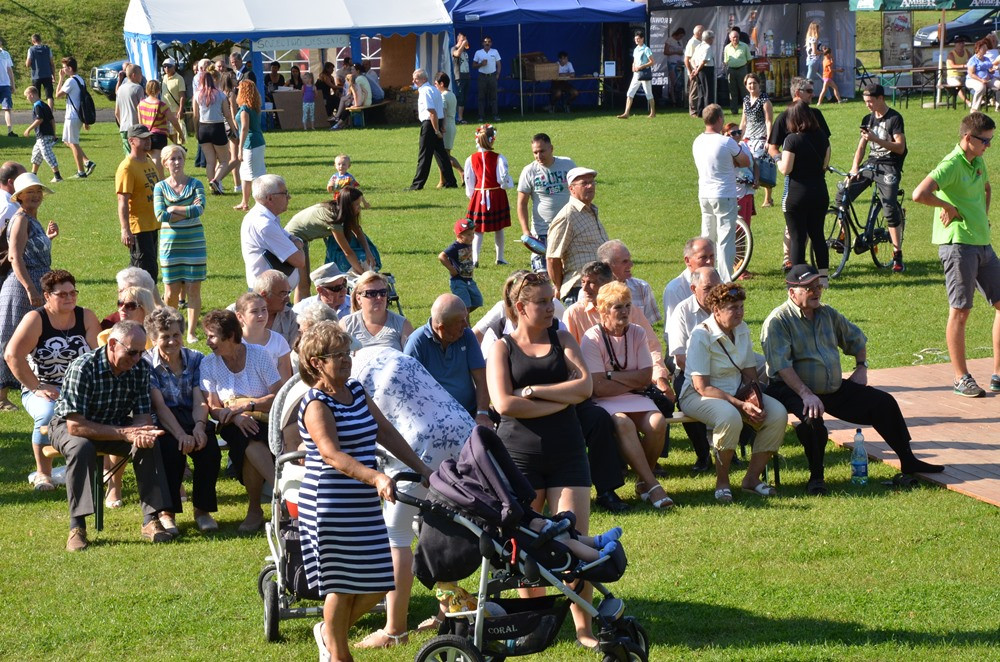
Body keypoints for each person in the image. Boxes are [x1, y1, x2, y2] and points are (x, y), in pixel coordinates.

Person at [296, 322, 432, 660]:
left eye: (347, 353)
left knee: (378, 581)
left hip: (362, 501)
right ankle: (339, 654)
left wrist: (421, 468)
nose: (346, 360)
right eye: (337, 356)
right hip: (330, 502)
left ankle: (329, 633)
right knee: (341, 586)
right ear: (316, 363)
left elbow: (385, 432)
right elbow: (331, 454)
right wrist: (375, 478)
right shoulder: (315, 403)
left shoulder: (355, 390)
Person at [485, 271, 598, 649]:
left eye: (552, 300)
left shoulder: (562, 336)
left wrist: (535, 391)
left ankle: (585, 628)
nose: (552, 308)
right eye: (543, 302)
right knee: (525, 547)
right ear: (521, 307)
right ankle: (531, 627)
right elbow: (503, 404)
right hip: (519, 459)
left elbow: (586, 387)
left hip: (568, 453)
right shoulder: (501, 347)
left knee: (574, 543)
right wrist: (561, 399)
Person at [762, 264, 944, 495]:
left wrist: (861, 367)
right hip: (791, 388)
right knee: (812, 422)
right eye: (809, 288)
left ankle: (908, 460)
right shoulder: (778, 321)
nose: (816, 291)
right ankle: (816, 477)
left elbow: (857, 339)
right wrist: (806, 394)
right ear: (792, 292)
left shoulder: (828, 314)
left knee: (883, 403)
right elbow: (782, 366)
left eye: (818, 286)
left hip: (831, 388)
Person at [49, 320, 172, 551]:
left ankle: (151, 519)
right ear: (113, 344)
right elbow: (76, 426)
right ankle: (77, 527)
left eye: (141, 353)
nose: (136, 359)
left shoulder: (140, 368)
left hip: (112, 422)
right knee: (81, 447)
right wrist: (126, 433)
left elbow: (142, 416)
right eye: (132, 352)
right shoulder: (83, 366)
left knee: (148, 443)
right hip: (69, 425)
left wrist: (141, 433)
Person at [912, 111, 1000, 398]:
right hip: (958, 245)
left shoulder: (978, 161)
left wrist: (981, 216)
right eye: (985, 141)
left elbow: (986, 188)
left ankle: (998, 374)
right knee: (961, 311)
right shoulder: (951, 164)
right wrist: (946, 207)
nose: (989, 146)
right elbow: (919, 193)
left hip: (982, 243)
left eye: (991, 141)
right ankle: (961, 378)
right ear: (967, 138)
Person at [677, 284, 788, 504]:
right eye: (732, 308)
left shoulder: (742, 329)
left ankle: (751, 479)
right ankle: (722, 482)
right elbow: (701, 386)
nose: (739, 312)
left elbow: (749, 373)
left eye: (741, 306)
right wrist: (740, 404)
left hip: (736, 394)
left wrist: (755, 400)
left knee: (777, 414)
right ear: (716, 310)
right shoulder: (701, 335)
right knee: (729, 417)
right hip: (696, 396)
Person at [580, 282, 673, 509]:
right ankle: (652, 485)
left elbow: (645, 377)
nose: (624, 312)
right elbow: (597, 387)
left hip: (635, 395)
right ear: (603, 311)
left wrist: (611, 376)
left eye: (627, 306)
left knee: (657, 422)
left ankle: (642, 481)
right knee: (623, 423)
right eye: (617, 307)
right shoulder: (591, 338)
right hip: (604, 402)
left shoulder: (637, 332)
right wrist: (628, 379)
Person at [4, 270, 98, 490]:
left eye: (72, 293)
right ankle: (43, 473)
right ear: (47, 296)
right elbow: (11, 355)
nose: (69, 298)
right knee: (48, 412)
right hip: (42, 386)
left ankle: (101, 471)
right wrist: (36, 386)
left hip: (79, 388)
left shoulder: (86, 316)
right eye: (62, 294)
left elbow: (99, 355)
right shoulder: (36, 319)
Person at [200, 309, 281, 532]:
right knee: (248, 436)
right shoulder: (208, 364)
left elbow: (277, 394)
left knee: (251, 442)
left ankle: (256, 510)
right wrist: (236, 417)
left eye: (212, 336)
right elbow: (214, 408)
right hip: (232, 424)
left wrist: (247, 406)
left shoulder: (259, 355)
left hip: (265, 417)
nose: (207, 342)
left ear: (231, 335)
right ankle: (281, 493)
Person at [144, 306, 221, 533]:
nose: (171, 341)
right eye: (164, 337)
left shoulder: (197, 359)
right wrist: (180, 435)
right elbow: (159, 405)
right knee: (170, 450)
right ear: (153, 338)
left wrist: (199, 427)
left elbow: (200, 397)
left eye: (176, 335)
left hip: (194, 413)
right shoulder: (146, 364)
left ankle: (202, 510)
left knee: (209, 451)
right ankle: (167, 513)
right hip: (163, 418)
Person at [0, 173, 58, 411]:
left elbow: (31, 249)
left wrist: (48, 237)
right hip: (23, 285)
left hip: (38, 282)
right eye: (29, 192)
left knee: (36, 335)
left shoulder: (31, 219)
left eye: (37, 192)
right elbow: (14, 256)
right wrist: (30, 288)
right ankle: (1, 398)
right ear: (19, 196)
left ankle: (33, 384)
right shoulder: (21, 218)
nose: (34, 196)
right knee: (9, 336)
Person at [843, 84, 908, 272]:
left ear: (881, 98)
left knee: (888, 205)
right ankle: (843, 236)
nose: (868, 105)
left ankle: (897, 255)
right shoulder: (867, 119)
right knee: (843, 194)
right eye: (865, 102)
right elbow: (861, 147)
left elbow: (900, 147)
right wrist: (855, 167)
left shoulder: (894, 118)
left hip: (889, 165)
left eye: (870, 101)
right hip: (871, 164)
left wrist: (876, 140)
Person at [666, 266, 722, 472]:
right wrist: (703, 376)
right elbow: (679, 357)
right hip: (691, 373)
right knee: (685, 399)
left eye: (718, 287)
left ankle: (728, 449)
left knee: (750, 391)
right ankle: (703, 453)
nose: (715, 293)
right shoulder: (682, 311)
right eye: (708, 288)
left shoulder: (727, 308)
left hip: (723, 372)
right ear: (693, 288)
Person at [404, 293, 491, 425]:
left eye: (465, 318)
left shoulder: (466, 336)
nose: (466, 325)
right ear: (441, 328)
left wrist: (482, 414)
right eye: (460, 321)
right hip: (433, 419)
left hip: (469, 414)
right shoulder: (417, 343)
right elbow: (409, 389)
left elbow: (481, 379)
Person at [153, 144, 207, 343]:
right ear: (165, 163)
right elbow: (160, 215)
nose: (177, 162)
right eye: (172, 159)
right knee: (170, 292)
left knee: (194, 289)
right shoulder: (160, 187)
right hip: (170, 247)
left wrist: (174, 208)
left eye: (180, 158)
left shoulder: (196, 184)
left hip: (194, 245)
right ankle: (172, 329)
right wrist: (185, 209)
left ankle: (191, 332)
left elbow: (199, 209)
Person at [693, 104, 750, 283]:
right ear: (719, 119)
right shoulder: (726, 142)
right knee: (726, 240)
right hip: (724, 193)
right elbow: (745, 160)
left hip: (704, 193)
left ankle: (703, 277)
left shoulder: (697, 141)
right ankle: (725, 280)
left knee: (707, 237)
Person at [776, 100, 831, 284]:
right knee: (818, 235)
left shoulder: (792, 139)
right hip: (819, 192)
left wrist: (777, 158)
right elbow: (825, 165)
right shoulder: (823, 137)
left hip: (797, 194)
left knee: (797, 237)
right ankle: (824, 278)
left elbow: (786, 169)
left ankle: (799, 279)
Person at [286, 189, 372, 302]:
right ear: (347, 205)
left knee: (304, 283)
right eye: (357, 204)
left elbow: (358, 231)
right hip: (292, 239)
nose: (359, 208)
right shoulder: (333, 217)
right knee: (303, 284)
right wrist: (363, 275)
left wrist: (368, 252)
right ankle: (300, 316)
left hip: (299, 239)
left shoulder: (340, 209)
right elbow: (347, 251)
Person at [546, 167, 609, 304]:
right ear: (571, 189)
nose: (590, 186)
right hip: (580, 290)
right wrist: (558, 287)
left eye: (592, 182)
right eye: (584, 183)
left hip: (600, 287)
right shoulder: (568, 216)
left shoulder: (590, 210)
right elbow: (552, 257)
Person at [516, 133, 575, 273]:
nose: (538, 156)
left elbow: (578, 190)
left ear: (551, 148)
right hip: (542, 232)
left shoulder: (567, 164)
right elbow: (521, 203)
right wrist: (526, 231)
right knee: (542, 275)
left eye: (542, 151)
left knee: (569, 272)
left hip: (568, 227)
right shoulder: (529, 171)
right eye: (535, 152)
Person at [240, 174, 304, 290]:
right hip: (268, 297)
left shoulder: (265, 217)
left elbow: (293, 238)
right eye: (284, 193)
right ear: (270, 198)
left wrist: (295, 241)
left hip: (272, 294)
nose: (289, 197)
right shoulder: (265, 224)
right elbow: (299, 261)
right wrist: (298, 245)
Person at [115, 125, 161, 284]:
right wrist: (125, 229)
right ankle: (138, 304)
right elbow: (122, 200)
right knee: (145, 273)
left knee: (144, 271)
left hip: (153, 224)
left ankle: (130, 301)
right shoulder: (127, 168)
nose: (148, 141)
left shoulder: (149, 161)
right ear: (131, 141)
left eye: (149, 137)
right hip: (139, 228)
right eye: (143, 138)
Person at [464, 124, 513, 266]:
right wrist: (506, 185)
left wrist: (471, 194)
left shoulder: (470, 159)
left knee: (478, 229)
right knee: (499, 228)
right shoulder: (499, 158)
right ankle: (500, 257)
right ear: (492, 140)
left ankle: (475, 258)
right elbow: (503, 178)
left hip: (479, 195)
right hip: (496, 194)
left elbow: (469, 180)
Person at [408, 69, 457, 191]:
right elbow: (441, 111)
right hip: (438, 122)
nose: (413, 81)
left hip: (430, 124)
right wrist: (442, 125)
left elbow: (432, 112)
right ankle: (451, 181)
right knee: (441, 155)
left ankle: (417, 185)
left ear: (424, 79)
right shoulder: (435, 90)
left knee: (424, 155)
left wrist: (436, 130)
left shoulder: (425, 91)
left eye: (416, 78)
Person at [341, 271, 414, 351]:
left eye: (383, 293)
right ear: (358, 298)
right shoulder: (346, 325)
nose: (379, 297)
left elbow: (410, 360)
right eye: (372, 293)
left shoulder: (402, 325)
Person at [192, 70, 238, 195]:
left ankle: (213, 188)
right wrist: (233, 129)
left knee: (210, 161)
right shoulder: (221, 95)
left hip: (203, 128)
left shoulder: (197, 95)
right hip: (217, 127)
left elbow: (195, 116)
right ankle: (216, 181)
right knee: (224, 160)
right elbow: (227, 115)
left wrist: (196, 130)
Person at [597, 239, 661, 324]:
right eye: (624, 262)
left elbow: (649, 327)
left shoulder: (642, 287)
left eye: (630, 260)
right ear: (608, 265)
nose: (631, 265)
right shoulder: (591, 292)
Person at [55, 57, 97, 179]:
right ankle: (87, 162)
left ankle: (81, 171)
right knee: (67, 141)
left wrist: (61, 79)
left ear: (70, 68)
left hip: (72, 116)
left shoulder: (70, 81)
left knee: (73, 143)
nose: (62, 70)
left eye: (64, 67)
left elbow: (57, 95)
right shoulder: (80, 79)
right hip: (78, 115)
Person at [236, 291, 292, 381]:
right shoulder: (234, 342)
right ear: (240, 316)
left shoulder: (279, 341)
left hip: (274, 394)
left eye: (264, 309)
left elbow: (284, 381)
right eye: (254, 311)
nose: (261, 315)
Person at [663, 236, 716, 325]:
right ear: (687, 260)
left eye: (712, 256)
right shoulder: (675, 290)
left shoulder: (719, 280)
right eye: (703, 257)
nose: (709, 261)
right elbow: (672, 330)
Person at [137, 79, 184, 179]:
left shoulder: (141, 104)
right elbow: (174, 121)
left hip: (145, 135)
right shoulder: (161, 105)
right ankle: (160, 185)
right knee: (158, 164)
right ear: (159, 90)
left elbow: (140, 122)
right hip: (158, 136)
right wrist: (180, 133)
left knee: (147, 162)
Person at [739, 73, 774, 207]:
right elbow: (744, 121)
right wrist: (739, 137)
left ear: (759, 84)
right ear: (746, 86)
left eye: (754, 83)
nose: (752, 86)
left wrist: (768, 140)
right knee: (746, 165)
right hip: (748, 137)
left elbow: (769, 121)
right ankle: (749, 195)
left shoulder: (765, 101)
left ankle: (768, 198)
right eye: (749, 84)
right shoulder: (746, 101)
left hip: (761, 137)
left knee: (761, 165)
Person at [234, 79, 266, 212]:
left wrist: (240, 148)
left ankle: (260, 203)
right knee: (249, 173)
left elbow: (244, 128)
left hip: (250, 143)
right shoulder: (254, 107)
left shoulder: (245, 109)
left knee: (252, 175)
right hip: (258, 141)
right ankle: (244, 202)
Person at [439, 218, 482, 313]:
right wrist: (451, 269)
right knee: (465, 306)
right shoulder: (455, 246)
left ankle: (456, 315)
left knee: (478, 301)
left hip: (469, 279)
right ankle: (465, 326)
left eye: (473, 234)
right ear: (459, 236)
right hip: (458, 281)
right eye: (468, 234)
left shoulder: (468, 244)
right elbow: (442, 256)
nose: (472, 237)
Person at [249, 270, 300, 347]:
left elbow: (293, 352)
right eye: (283, 294)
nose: (288, 300)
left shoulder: (289, 316)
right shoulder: (237, 314)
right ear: (264, 295)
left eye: (288, 293)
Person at [23, 86, 61, 183]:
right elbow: (52, 120)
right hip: (43, 136)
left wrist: (28, 129)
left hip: (43, 135)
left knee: (47, 154)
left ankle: (58, 176)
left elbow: (39, 119)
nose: (27, 99)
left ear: (31, 95)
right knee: (36, 155)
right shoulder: (45, 105)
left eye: (27, 96)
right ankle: (33, 175)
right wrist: (54, 133)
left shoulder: (37, 106)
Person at [434, 72, 463, 189]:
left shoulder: (443, 96)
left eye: (436, 84)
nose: (435, 86)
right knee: (445, 154)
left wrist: (442, 127)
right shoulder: (452, 94)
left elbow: (444, 113)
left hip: (446, 126)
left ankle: (461, 173)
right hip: (452, 125)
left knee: (443, 156)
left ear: (441, 84)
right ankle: (443, 179)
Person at [618, 31, 655, 119]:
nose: (636, 40)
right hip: (636, 74)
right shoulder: (636, 49)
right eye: (635, 39)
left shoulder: (646, 49)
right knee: (630, 92)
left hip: (644, 74)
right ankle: (626, 113)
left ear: (642, 39)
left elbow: (652, 62)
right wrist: (633, 66)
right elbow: (634, 61)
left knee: (648, 94)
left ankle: (653, 113)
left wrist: (642, 66)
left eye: (638, 39)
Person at [114, 64, 146, 155]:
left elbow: (117, 112)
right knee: (139, 155)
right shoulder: (138, 88)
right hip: (136, 127)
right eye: (140, 74)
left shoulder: (120, 89)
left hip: (123, 127)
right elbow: (142, 109)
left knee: (128, 156)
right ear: (134, 75)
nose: (141, 76)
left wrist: (121, 124)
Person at [473, 36, 501, 122]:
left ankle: (495, 115)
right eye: (485, 42)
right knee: (481, 97)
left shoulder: (495, 51)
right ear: (482, 43)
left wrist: (498, 74)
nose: (487, 43)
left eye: (489, 42)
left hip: (492, 76)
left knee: (494, 97)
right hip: (482, 76)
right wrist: (481, 64)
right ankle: (481, 116)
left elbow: (499, 64)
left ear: (491, 43)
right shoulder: (478, 52)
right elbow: (474, 65)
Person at [723, 29, 751, 115]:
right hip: (731, 70)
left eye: (737, 37)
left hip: (742, 69)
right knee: (732, 91)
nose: (736, 39)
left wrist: (742, 65)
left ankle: (748, 110)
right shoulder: (727, 47)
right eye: (734, 37)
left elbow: (749, 59)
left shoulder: (745, 46)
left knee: (744, 90)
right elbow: (725, 61)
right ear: (730, 38)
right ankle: (734, 110)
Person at [26, 33, 55, 111]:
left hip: (36, 75)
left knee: (36, 95)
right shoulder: (47, 49)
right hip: (47, 74)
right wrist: (53, 75)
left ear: (33, 41)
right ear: (40, 40)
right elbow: (52, 63)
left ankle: (38, 111)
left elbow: (28, 64)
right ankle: (50, 113)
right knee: (49, 95)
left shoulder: (31, 49)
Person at [688, 30, 714, 119]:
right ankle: (708, 112)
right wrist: (697, 69)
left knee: (701, 92)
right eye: (712, 38)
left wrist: (695, 69)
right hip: (706, 70)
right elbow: (704, 61)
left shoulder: (699, 46)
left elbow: (692, 60)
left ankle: (700, 111)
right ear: (709, 38)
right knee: (707, 91)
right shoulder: (708, 47)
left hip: (698, 70)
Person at [160, 58, 187, 143]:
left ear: (174, 67)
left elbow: (182, 95)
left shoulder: (179, 78)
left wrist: (181, 110)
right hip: (164, 110)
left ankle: (177, 147)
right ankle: (177, 147)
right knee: (167, 132)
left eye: (169, 66)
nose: (166, 68)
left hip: (174, 110)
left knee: (174, 133)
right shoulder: (164, 77)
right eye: (164, 66)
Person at [966, 39, 992, 111]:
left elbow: (990, 70)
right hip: (973, 80)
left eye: (986, 47)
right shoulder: (973, 60)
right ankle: (974, 109)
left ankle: (998, 106)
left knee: (998, 84)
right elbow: (971, 74)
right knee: (981, 87)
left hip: (987, 79)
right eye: (984, 48)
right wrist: (981, 80)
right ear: (979, 49)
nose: (986, 49)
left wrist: (992, 71)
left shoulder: (987, 59)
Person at [663, 27, 686, 106]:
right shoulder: (670, 40)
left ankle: (679, 99)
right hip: (672, 63)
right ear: (677, 34)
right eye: (680, 36)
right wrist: (676, 52)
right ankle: (673, 100)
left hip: (679, 63)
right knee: (674, 82)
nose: (681, 38)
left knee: (680, 82)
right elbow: (665, 52)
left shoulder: (680, 41)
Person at [451, 32, 471, 124]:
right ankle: (459, 118)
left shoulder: (465, 51)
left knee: (464, 97)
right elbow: (457, 54)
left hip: (466, 76)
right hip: (460, 77)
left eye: (465, 39)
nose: (465, 41)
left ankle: (461, 116)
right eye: (463, 39)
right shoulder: (454, 48)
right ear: (458, 40)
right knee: (460, 97)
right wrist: (462, 44)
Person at [946, 37, 971, 108]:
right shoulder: (951, 54)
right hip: (953, 76)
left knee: (976, 81)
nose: (961, 45)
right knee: (958, 85)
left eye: (963, 43)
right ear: (955, 44)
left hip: (965, 75)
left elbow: (971, 62)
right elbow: (952, 66)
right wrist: (964, 66)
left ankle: (982, 100)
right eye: (959, 43)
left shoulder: (967, 52)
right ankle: (968, 102)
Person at [0, 40, 15, 137]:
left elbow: (9, 70)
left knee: (7, 108)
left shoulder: (6, 54)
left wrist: (12, 84)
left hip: (5, 84)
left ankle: (10, 131)